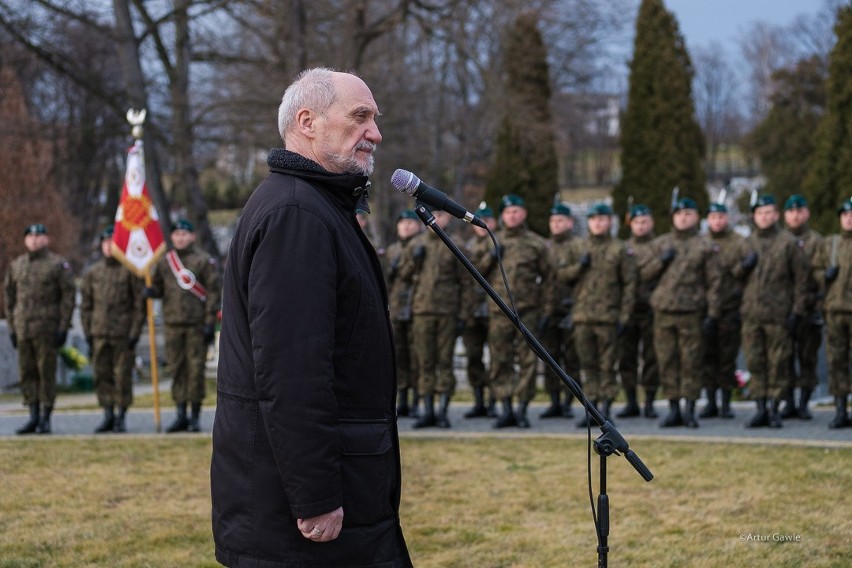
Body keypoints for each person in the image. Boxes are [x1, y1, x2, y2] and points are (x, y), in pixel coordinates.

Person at [211, 68, 412, 567]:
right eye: (360, 117)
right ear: (308, 121)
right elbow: (291, 371)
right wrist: (316, 495)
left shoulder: (315, 206)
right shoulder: (296, 215)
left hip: (341, 493)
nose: (375, 133)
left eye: (375, 119)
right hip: (300, 522)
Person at [642, 197, 721, 428]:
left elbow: (714, 282)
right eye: (679, 214)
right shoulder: (660, 244)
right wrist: (660, 262)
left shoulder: (705, 246)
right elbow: (644, 274)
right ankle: (673, 408)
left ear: (696, 217)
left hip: (691, 312)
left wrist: (713, 314)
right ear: (672, 217)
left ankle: (689, 410)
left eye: (688, 214)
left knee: (691, 362)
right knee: (667, 361)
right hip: (664, 312)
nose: (683, 218)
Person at [473, 194, 549, 428]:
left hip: (528, 310)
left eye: (517, 211)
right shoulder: (491, 240)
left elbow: (549, 279)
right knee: (500, 359)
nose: (512, 215)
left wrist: (546, 308)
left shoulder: (536, 243)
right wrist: (491, 257)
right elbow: (475, 274)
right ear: (502, 216)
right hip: (499, 312)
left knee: (528, 361)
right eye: (508, 212)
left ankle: (522, 409)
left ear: (524, 213)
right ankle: (505, 407)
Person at [559, 203, 636, 427]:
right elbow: (563, 275)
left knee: (607, 365)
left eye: (602, 219)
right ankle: (591, 408)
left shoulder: (619, 249)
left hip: (609, 317)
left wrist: (624, 316)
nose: (598, 223)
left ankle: (606, 409)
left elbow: (629, 285)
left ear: (610, 221)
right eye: (594, 219)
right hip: (583, 316)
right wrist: (578, 268)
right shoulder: (578, 247)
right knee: (588, 365)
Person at [145, 218, 221, 433]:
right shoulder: (165, 262)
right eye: (177, 234)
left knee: (195, 369)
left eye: (184, 234)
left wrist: (209, 322)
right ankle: (180, 414)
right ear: (172, 237)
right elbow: (159, 287)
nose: (180, 237)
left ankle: (195, 415)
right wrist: (151, 291)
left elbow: (214, 292)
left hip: (196, 324)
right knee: (177, 369)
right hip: (172, 324)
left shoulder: (203, 261)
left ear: (192, 236)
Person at [741, 195, 808, 429]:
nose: (765, 217)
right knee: (755, 362)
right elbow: (733, 278)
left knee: (778, 363)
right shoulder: (746, 243)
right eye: (760, 213)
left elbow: (801, 281)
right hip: (752, 314)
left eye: (769, 213)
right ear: (754, 216)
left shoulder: (788, 243)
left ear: (776, 215)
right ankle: (760, 408)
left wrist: (797, 312)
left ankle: (774, 409)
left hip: (779, 315)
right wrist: (742, 267)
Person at [3, 223, 75, 435]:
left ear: (47, 239)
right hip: (24, 328)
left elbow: (67, 298)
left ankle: (45, 417)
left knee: (46, 373)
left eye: (39, 236)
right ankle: (32, 416)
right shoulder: (17, 265)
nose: (34, 240)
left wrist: (63, 327)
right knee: (27, 374)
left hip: (47, 329)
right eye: (31, 236)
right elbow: (9, 298)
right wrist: (13, 328)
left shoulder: (57, 265)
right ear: (25, 240)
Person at [398, 207, 464, 428]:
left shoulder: (456, 244)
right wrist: (414, 261)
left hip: (447, 310)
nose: (436, 219)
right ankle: (427, 410)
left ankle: (443, 410)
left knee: (444, 362)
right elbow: (404, 276)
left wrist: (464, 313)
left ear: (448, 218)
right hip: (422, 310)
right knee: (424, 362)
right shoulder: (417, 244)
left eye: (442, 215)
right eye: (433, 214)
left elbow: (466, 281)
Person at [80, 227, 146, 433]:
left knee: (122, 376)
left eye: (113, 242)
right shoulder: (93, 273)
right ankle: (107, 413)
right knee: (102, 375)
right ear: (101, 246)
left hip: (123, 334)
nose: (109, 246)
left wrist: (135, 333)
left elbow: (139, 305)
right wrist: (88, 332)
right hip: (99, 332)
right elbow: (86, 306)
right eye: (105, 242)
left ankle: (121, 416)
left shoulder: (130, 271)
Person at [701, 202, 753, 419]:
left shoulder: (739, 243)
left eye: (721, 216)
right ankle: (711, 402)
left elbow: (747, 273)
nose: (718, 221)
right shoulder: (701, 243)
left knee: (727, 358)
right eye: (713, 217)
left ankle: (725, 402)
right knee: (707, 357)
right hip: (704, 310)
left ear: (728, 219)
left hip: (730, 308)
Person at [780, 194, 823, 420]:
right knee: (784, 358)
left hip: (809, 310)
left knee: (808, 358)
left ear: (806, 213)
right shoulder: (780, 240)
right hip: (783, 310)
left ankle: (804, 403)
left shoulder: (817, 241)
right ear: (785, 215)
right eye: (791, 211)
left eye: (799, 210)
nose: (795, 215)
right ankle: (788, 403)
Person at [617, 204, 660, 419]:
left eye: (645, 221)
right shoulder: (623, 248)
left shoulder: (659, 246)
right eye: (637, 222)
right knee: (627, 357)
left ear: (651, 222)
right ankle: (631, 400)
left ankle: (650, 401)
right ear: (630, 224)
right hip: (628, 309)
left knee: (652, 357)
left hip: (652, 309)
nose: (641, 226)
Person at [539, 202, 582, 419]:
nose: (556, 224)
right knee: (550, 358)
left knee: (572, 359)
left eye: (561, 221)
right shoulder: (544, 247)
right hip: (548, 309)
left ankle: (568, 401)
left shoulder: (577, 246)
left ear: (570, 223)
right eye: (553, 221)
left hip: (571, 309)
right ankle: (554, 400)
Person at [812, 198, 852, 428]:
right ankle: (840, 409)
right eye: (845, 215)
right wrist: (824, 276)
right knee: (836, 361)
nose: (849, 219)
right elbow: (814, 271)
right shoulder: (830, 244)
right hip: (835, 311)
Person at [384, 209, 421, 418]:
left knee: (418, 357)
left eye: (410, 223)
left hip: (417, 307)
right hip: (397, 309)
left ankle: (417, 400)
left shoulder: (422, 246)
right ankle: (403, 400)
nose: (406, 226)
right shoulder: (392, 251)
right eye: (403, 223)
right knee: (399, 357)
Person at [461, 203, 497, 419]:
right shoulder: (467, 247)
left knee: (496, 356)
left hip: (493, 309)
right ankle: (479, 401)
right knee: (473, 356)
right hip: (472, 308)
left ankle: (493, 401)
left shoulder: (498, 242)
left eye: (488, 219)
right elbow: (470, 274)